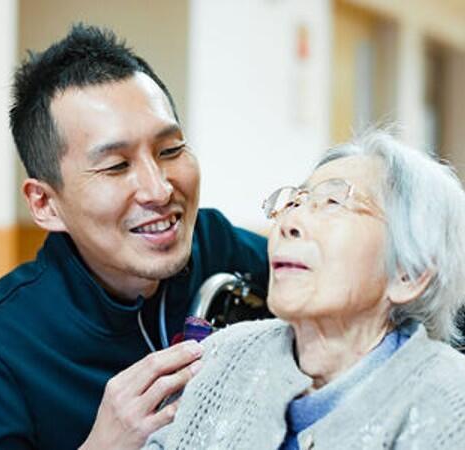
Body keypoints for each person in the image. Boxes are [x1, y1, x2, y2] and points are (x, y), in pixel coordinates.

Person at [0, 24, 270, 450]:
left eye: (170, 150)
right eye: (116, 166)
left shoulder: (218, 247)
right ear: (45, 204)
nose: (159, 190)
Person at [144, 129, 465, 449]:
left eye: (333, 203)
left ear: (408, 273)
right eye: (294, 202)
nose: (288, 223)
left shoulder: (450, 404)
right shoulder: (224, 356)